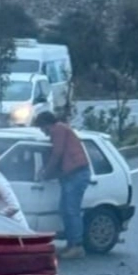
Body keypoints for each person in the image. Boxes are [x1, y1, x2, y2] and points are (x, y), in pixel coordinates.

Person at [33, 111, 92, 259]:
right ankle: (72, 243)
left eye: (42, 127)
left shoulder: (58, 129)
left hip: (77, 174)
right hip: (71, 175)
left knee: (71, 210)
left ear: (47, 124)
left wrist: (46, 173)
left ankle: (77, 246)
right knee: (66, 209)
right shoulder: (61, 129)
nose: (43, 131)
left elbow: (57, 154)